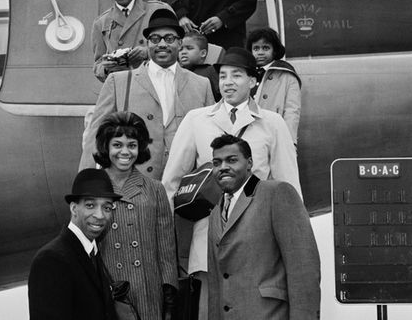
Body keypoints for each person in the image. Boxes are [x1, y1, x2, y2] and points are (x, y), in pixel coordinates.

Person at [162, 47, 300, 320]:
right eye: (223, 76)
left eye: (237, 75)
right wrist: (165, 241)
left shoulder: (273, 123)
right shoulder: (196, 120)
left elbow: (289, 187)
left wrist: (293, 249)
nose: (228, 82)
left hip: (257, 238)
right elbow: (171, 182)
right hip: (209, 235)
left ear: (253, 81)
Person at [81, 9, 215, 181]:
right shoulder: (118, 82)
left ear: (180, 43)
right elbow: (95, 135)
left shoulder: (201, 84)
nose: (162, 44)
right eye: (155, 39)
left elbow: (210, 138)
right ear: (147, 43)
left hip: (184, 189)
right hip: (131, 186)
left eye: (169, 39)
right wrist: (86, 184)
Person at [207, 134, 320, 320]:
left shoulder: (277, 193)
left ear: (249, 163)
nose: (223, 167)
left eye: (232, 160)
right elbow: (215, 284)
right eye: (216, 163)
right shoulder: (214, 213)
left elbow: (304, 270)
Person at [94, 111, 178, 320]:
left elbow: (165, 246)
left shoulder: (155, 188)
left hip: (148, 291)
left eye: (132, 145)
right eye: (117, 145)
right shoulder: (93, 189)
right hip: (110, 293)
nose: (125, 152)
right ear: (106, 146)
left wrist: (169, 291)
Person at [27, 168, 121, 320]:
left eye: (107, 207)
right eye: (90, 205)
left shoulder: (93, 253)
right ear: (74, 208)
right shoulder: (50, 259)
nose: (100, 215)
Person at [92, 0, 172, 82]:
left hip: (156, 83)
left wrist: (148, 52)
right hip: (121, 87)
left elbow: (178, 49)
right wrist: (106, 68)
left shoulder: (159, 10)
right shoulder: (101, 23)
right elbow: (98, 64)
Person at [246, 27, 302, 144]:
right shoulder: (245, 73)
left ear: (275, 51)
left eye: (265, 48)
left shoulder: (287, 74)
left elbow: (292, 111)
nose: (260, 52)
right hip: (247, 136)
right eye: (256, 48)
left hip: (276, 136)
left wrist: (289, 141)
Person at [178, 32, 220, 101]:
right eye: (180, 49)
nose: (183, 52)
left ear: (203, 53)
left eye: (189, 48)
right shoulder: (176, 72)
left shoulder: (210, 71)